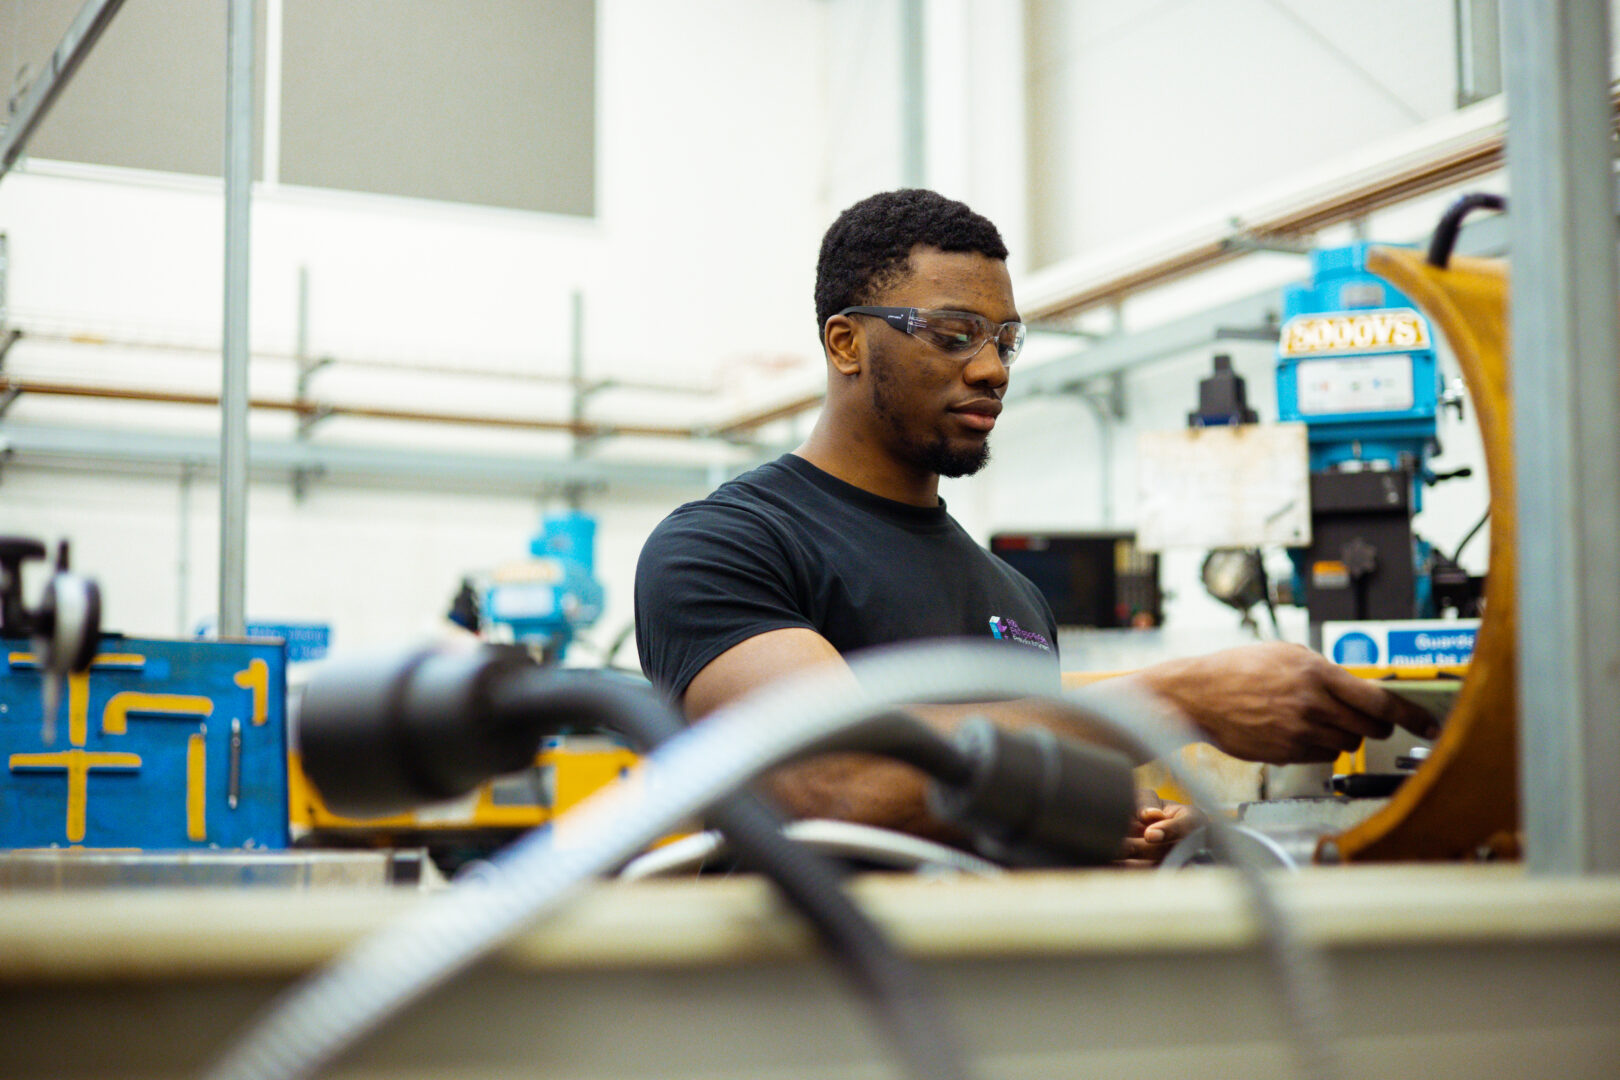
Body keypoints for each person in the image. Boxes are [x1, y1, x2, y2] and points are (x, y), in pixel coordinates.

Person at [635, 188, 1437, 863]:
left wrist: (1141, 828)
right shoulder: (727, 546)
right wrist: (1177, 696)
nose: (990, 369)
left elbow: (1023, 798)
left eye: (1006, 341)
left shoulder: (1012, 595)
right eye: (952, 335)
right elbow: (834, 781)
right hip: (812, 1029)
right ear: (846, 342)